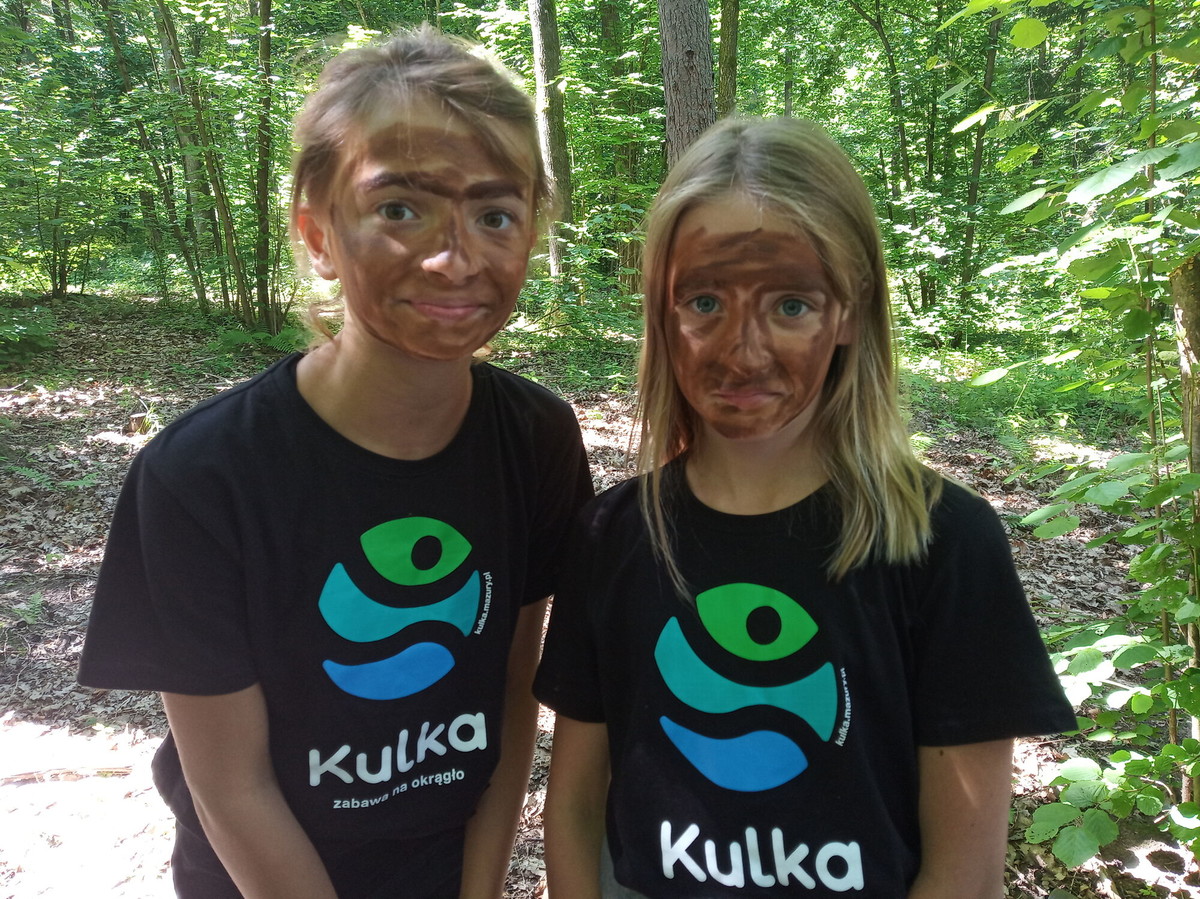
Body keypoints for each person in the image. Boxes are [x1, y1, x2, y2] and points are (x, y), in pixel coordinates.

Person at [78, 25, 593, 899]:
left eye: (495, 215)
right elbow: (232, 787)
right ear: (318, 233)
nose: (454, 258)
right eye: (400, 209)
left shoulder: (536, 438)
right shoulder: (200, 477)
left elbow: (510, 703)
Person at [533, 116, 1076, 899]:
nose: (743, 351)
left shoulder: (942, 541)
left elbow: (963, 871)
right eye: (705, 301)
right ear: (661, 312)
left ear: (850, 308)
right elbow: (576, 808)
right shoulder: (612, 536)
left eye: (790, 304)